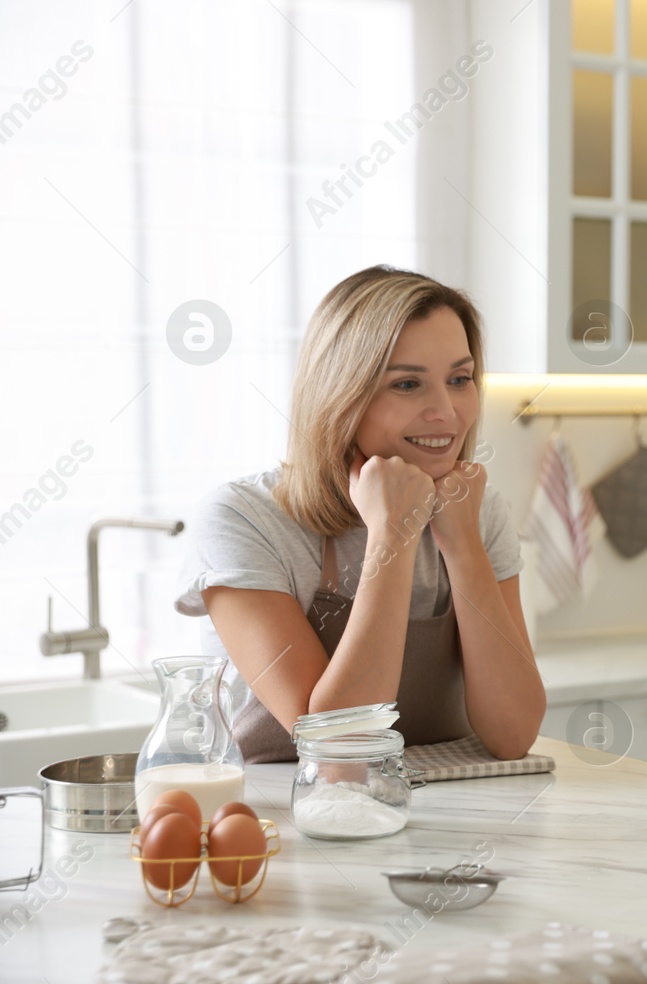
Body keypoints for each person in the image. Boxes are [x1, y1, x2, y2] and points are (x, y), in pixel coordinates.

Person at [176, 266, 544, 762]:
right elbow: (335, 746)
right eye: (408, 385)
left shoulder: (477, 511)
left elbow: (513, 733)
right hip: (287, 818)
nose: (447, 411)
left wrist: (462, 545)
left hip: (448, 813)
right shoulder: (242, 520)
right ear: (341, 394)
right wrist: (393, 535)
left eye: (460, 379)